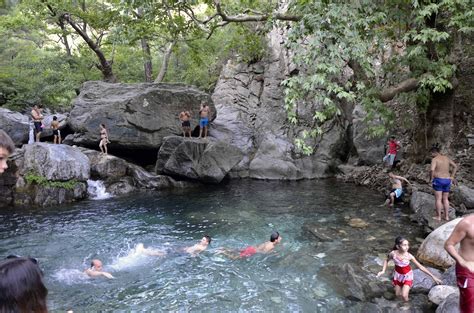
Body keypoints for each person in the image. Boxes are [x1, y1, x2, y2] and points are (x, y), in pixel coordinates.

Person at [377, 236, 442, 302]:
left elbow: (421, 267)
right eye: (404, 245)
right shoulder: (393, 254)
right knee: (397, 295)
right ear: (398, 246)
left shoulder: (409, 256)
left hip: (407, 276)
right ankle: (399, 305)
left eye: (407, 245)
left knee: (404, 295)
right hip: (398, 276)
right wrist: (383, 271)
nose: (407, 247)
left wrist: (434, 277)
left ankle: (406, 306)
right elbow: (386, 260)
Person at [445, 214, 474, 313]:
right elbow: (449, 244)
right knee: (469, 308)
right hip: (468, 271)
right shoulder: (467, 223)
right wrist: (462, 261)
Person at [430, 145, 458, 221]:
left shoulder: (435, 159)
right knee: (445, 199)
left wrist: (431, 179)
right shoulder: (446, 158)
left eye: (431, 154)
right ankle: (446, 217)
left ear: (434, 152)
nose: (431, 155)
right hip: (447, 180)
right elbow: (455, 166)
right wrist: (452, 176)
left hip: (439, 180)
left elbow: (432, 170)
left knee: (438, 199)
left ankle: (438, 217)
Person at [217, 232, 282, 259]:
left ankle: (224, 248)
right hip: (252, 251)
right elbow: (263, 252)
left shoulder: (268, 242)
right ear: (275, 240)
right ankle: (223, 252)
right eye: (279, 237)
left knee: (237, 251)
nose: (281, 238)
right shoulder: (271, 246)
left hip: (251, 248)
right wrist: (273, 252)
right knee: (236, 257)